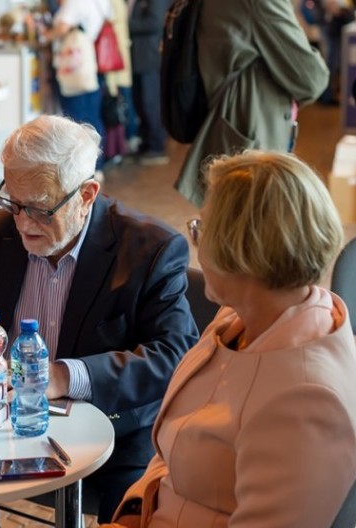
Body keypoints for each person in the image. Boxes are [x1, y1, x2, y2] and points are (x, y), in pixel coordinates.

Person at [0, 115, 198, 526]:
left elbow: (176, 355)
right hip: (2, 422)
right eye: (14, 202)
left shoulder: (150, 251)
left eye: (41, 209)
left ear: (87, 194)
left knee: (134, 506)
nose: (24, 222)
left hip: (114, 433)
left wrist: (64, 376)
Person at [101, 150, 356, 527]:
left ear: (242, 249)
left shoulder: (307, 399)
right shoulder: (239, 320)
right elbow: (172, 452)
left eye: (200, 229)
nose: (196, 244)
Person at [175, 0, 328, 207]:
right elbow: (311, 79)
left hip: (231, 124)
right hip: (252, 128)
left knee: (231, 220)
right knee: (254, 222)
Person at [42, 0, 111, 174]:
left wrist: (44, 35)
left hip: (75, 70)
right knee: (93, 117)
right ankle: (97, 165)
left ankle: (83, 167)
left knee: (77, 120)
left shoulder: (74, 3)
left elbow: (62, 28)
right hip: (89, 65)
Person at [128, 0, 172, 165]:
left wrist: (125, 25)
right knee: (140, 103)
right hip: (139, 57)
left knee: (150, 103)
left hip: (149, 57)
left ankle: (156, 147)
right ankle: (146, 144)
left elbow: (154, 23)